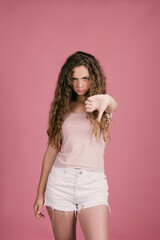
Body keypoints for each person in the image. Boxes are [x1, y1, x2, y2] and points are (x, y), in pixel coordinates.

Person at [33, 51, 118, 240]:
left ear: (93, 78)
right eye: (74, 79)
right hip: (60, 182)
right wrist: (40, 193)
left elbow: (112, 105)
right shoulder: (61, 109)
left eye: (85, 78)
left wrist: (106, 100)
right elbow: (51, 151)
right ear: (68, 81)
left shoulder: (100, 105)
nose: (80, 85)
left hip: (92, 184)